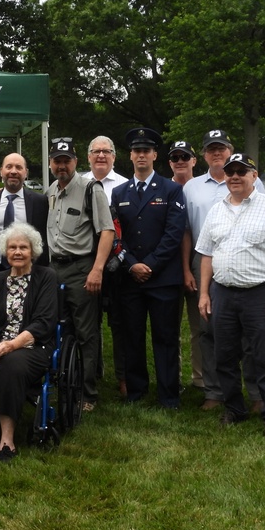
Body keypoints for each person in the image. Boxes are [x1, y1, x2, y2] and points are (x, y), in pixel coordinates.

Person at [196, 153, 265, 437]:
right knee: (224, 356)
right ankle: (234, 408)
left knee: (263, 358)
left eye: (241, 171)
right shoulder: (217, 209)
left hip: (260, 294)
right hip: (223, 293)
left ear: (254, 175)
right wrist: (204, 293)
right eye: (230, 172)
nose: (235, 176)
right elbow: (206, 254)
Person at [183, 129, 265, 412]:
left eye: (221, 148)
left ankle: (255, 393)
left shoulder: (253, 182)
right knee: (208, 329)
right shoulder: (191, 187)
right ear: (203, 155)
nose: (216, 153)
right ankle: (214, 391)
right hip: (203, 259)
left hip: (246, 259)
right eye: (211, 149)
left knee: (249, 332)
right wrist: (186, 268)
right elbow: (185, 233)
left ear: (230, 150)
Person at [0, 223, 58, 463]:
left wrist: (11, 345)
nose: (17, 252)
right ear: (5, 252)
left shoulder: (46, 277)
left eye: (23, 247)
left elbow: (43, 323)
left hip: (32, 347)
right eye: (12, 247)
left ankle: (8, 441)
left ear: (33, 251)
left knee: (10, 365)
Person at [110, 128, 187, 408]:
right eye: (136, 151)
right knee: (132, 335)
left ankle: (168, 394)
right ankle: (136, 390)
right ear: (130, 156)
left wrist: (150, 265)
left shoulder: (171, 189)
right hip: (130, 278)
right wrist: (131, 264)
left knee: (165, 337)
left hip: (163, 277)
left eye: (147, 151)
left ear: (155, 155)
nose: (141, 155)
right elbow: (116, 234)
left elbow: (174, 233)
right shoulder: (119, 193)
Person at [45, 137, 114, 412]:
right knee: (60, 330)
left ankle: (88, 394)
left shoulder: (90, 188)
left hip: (81, 269)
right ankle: (66, 383)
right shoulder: (50, 190)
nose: (62, 165)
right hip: (54, 269)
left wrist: (97, 269)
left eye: (66, 160)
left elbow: (107, 231)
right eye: (57, 161)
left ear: (76, 161)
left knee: (86, 333)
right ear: (51, 163)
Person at [83, 135, 129, 396]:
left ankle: (123, 377)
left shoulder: (125, 186)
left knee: (119, 323)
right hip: (85, 263)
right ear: (88, 156)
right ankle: (93, 371)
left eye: (106, 151)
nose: (101, 155)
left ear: (114, 156)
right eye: (96, 151)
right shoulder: (79, 183)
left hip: (118, 266)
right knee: (89, 322)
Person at [167, 140, 202, 392]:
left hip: (199, 261)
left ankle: (201, 379)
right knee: (170, 326)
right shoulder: (163, 187)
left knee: (200, 324)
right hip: (168, 264)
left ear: (193, 160)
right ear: (169, 162)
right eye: (175, 157)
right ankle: (174, 378)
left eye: (185, 156)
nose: (180, 160)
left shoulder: (201, 188)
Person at [0, 153, 49, 274]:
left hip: (30, 272)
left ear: (26, 172)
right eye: (9, 167)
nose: (13, 171)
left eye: (19, 167)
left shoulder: (41, 202)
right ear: (1, 171)